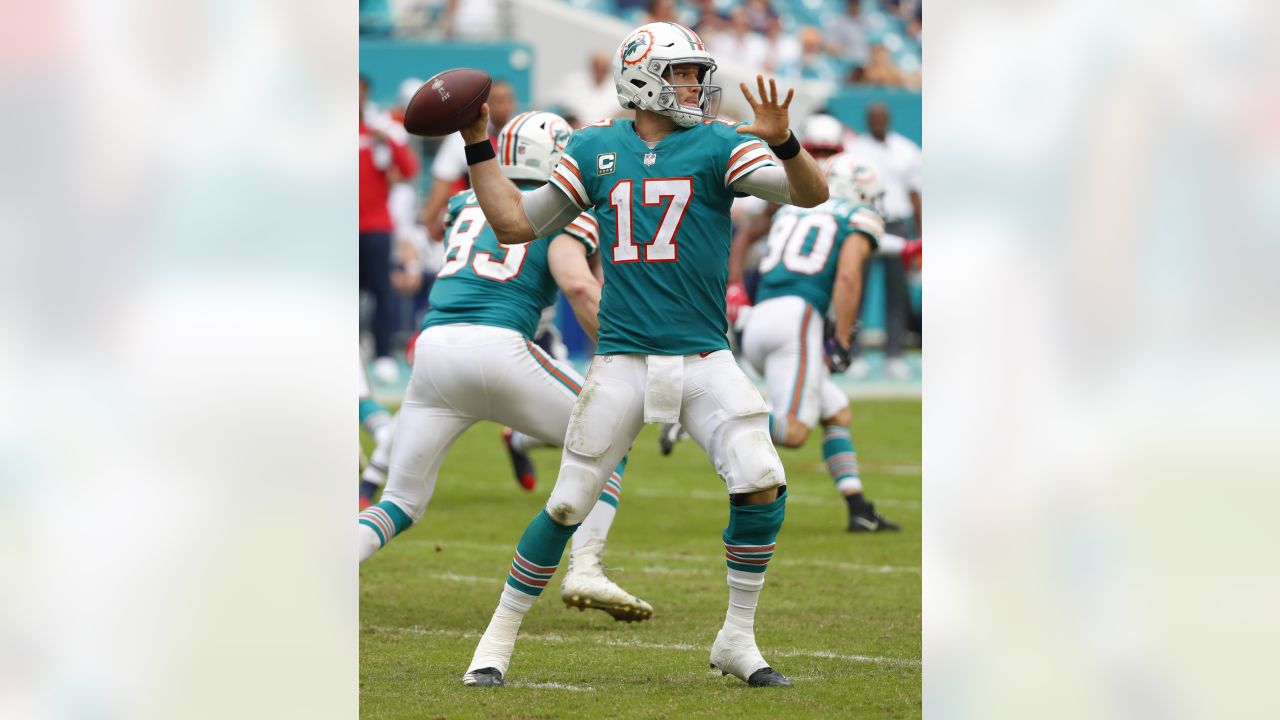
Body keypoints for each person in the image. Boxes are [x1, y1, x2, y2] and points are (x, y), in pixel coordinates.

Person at [455, 21, 828, 688]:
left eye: (694, 73)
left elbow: (810, 193)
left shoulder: (718, 144)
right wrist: (477, 143)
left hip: (703, 355)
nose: (695, 86)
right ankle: (495, 643)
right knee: (568, 503)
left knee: (760, 477)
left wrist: (786, 143)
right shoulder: (594, 147)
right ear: (642, 77)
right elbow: (514, 224)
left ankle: (737, 641)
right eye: (683, 73)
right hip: (623, 358)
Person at [358, 111, 653, 625]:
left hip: (432, 351)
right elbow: (577, 285)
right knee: (611, 429)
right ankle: (585, 564)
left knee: (400, 501)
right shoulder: (562, 208)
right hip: (499, 346)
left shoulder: (461, 204)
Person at [737, 153, 900, 532]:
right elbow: (847, 277)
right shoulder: (858, 217)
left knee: (837, 411)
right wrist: (842, 340)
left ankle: (859, 509)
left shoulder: (795, 208)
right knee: (794, 431)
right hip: (797, 321)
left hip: (761, 317)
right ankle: (712, 411)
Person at [845, 103, 922, 380]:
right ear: (867, 120)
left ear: (888, 119)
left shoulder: (906, 149)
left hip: (898, 224)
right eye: (873, 118)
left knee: (897, 294)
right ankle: (853, 354)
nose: (877, 121)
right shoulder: (855, 149)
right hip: (865, 221)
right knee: (856, 289)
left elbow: (915, 195)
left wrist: (921, 237)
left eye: (881, 117)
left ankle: (895, 355)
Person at [360, 75, 419, 375]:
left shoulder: (380, 129)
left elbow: (408, 169)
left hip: (375, 225)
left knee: (381, 291)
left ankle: (383, 353)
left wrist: (387, 140)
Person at [420, 80, 516, 242]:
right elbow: (443, 181)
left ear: (513, 103)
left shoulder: (521, 136)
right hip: (476, 218)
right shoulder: (464, 136)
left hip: (513, 216)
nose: (501, 106)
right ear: (486, 104)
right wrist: (429, 220)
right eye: (496, 100)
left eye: (505, 100)